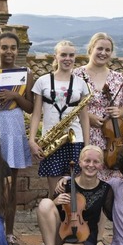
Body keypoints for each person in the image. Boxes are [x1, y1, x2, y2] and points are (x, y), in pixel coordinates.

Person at [73, 32, 123, 245]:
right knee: (83, 183)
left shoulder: (118, 77)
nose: (103, 53)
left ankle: (99, 236)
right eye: (99, 48)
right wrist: (88, 117)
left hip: (110, 140)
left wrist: (119, 110)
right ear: (90, 49)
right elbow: (70, 106)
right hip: (86, 135)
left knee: (105, 186)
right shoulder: (77, 75)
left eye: (107, 50)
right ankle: (75, 230)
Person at [0, 32, 34, 245]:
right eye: (4, 47)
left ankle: (9, 232)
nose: (9, 51)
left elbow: (31, 108)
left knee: (10, 185)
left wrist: (15, 97)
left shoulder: (26, 74)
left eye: (13, 47)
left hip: (14, 128)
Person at [28, 40, 90, 196]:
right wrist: (32, 140)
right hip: (51, 142)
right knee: (55, 192)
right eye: (63, 55)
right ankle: (54, 220)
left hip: (75, 140)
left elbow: (84, 117)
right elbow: (36, 114)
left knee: (74, 192)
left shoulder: (80, 83)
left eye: (71, 55)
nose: (67, 58)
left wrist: (87, 146)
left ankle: (72, 221)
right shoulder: (42, 81)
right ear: (55, 57)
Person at [36, 145, 113, 245]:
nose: (91, 165)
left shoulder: (105, 189)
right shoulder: (66, 184)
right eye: (87, 161)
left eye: (96, 162)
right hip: (63, 233)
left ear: (101, 165)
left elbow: (112, 215)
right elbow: (48, 211)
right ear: (80, 162)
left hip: (85, 239)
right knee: (45, 203)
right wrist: (55, 201)